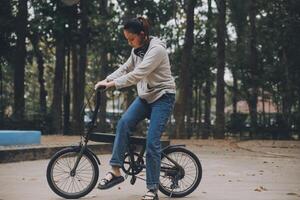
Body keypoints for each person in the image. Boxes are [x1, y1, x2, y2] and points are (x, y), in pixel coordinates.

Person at [94, 16, 176, 200]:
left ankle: (152, 189)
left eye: (132, 39)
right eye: (127, 40)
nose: (130, 43)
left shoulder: (157, 50)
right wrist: (107, 79)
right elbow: (126, 68)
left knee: (152, 142)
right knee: (123, 123)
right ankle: (116, 171)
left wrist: (113, 84)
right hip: (146, 97)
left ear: (142, 34)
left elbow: (137, 74)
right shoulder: (137, 50)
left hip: (163, 98)